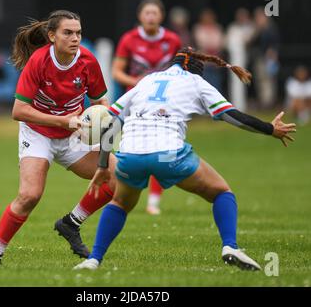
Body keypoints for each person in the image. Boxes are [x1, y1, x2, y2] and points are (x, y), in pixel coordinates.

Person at [73, 48, 296, 271]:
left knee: (120, 203)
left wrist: (103, 165)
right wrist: (269, 129)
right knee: (221, 192)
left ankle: (93, 260)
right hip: (169, 153)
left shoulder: (147, 80)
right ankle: (230, 247)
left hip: (130, 154)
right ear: (197, 70)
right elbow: (232, 115)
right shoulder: (197, 82)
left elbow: (111, 122)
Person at [0, 10, 120, 265]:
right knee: (30, 195)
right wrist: (63, 121)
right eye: (68, 33)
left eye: (78, 32)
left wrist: (103, 151)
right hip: (38, 134)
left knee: (119, 175)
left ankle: (71, 223)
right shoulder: (39, 61)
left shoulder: (88, 61)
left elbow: (103, 106)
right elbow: (19, 111)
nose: (75, 38)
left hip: (74, 134)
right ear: (52, 35)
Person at [112, 0, 182, 215]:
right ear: (140, 16)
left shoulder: (172, 40)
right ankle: (119, 194)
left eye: (155, 13)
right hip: (134, 103)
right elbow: (116, 72)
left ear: (161, 16)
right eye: (147, 13)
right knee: (124, 147)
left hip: (163, 105)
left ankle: (153, 201)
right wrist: (138, 83)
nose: (151, 17)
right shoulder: (129, 39)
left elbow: (181, 71)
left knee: (163, 149)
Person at [250, 7, 280, 110]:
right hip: (260, 57)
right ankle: (263, 101)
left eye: (260, 17)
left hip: (269, 58)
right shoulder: (258, 30)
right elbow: (251, 42)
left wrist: (273, 53)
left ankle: (268, 102)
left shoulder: (271, 29)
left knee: (268, 80)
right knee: (261, 80)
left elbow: (275, 44)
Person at [225, 8, 255, 111]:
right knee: (234, 82)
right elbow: (226, 43)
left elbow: (249, 40)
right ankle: (235, 105)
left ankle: (242, 105)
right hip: (234, 60)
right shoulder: (232, 28)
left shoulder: (249, 27)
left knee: (243, 80)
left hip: (244, 59)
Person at [193, 8, 225, 91]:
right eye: (206, 17)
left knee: (216, 85)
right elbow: (201, 42)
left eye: (210, 17)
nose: (208, 19)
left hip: (215, 62)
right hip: (204, 63)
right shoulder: (198, 28)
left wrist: (210, 43)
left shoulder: (217, 28)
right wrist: (210, 42)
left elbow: (219, 43)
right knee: (204, 85)